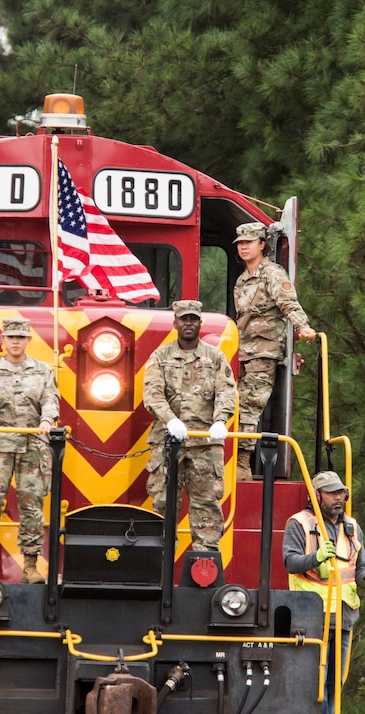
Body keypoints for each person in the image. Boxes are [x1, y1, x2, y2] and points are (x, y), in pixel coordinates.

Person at [283, 471, 365, 714]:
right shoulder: (299, 523)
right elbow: (289, 562)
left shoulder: (352, 527)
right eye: (332, 493)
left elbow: (360, 567)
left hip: (343, 619)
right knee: (312, 685)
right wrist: (315, 558)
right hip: (311, 618)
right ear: (317, 496)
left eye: (341, 492)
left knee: (334, 684)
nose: (339, 498)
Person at [0, 318, 59, 583]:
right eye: (11, 337)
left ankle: (30, 568)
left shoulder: (42, 371)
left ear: (29, 340)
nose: (16, 342)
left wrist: (46, 419)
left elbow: (50, 399)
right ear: (3, 341)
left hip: (33, 446)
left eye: (21, 337)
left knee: (32, 507)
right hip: (0, 446)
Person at [142, 300, 237, 551]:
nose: (188, 323)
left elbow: (227, 392)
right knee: (162, 504)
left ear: (200, 323)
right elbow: (152, 394)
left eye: (193, 319)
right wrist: (170, 419)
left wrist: (220, 419)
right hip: (167, 441)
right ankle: (160, 566)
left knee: (206, 505)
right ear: (175, 323)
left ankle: (204, 566)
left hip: (205, 443)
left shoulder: (215, 357)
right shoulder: (160, 357)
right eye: (184, 319)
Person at [232, 221, 316, 480]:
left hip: (264, 352)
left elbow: (288, 303)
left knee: (250, 406)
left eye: (249, 242)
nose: (244, 247)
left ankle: (242, 464)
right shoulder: (243, 279)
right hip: (243, 353)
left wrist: (304, 327)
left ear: (262, 245)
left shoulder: (272, 273)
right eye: (240, 244)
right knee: (234, 403)